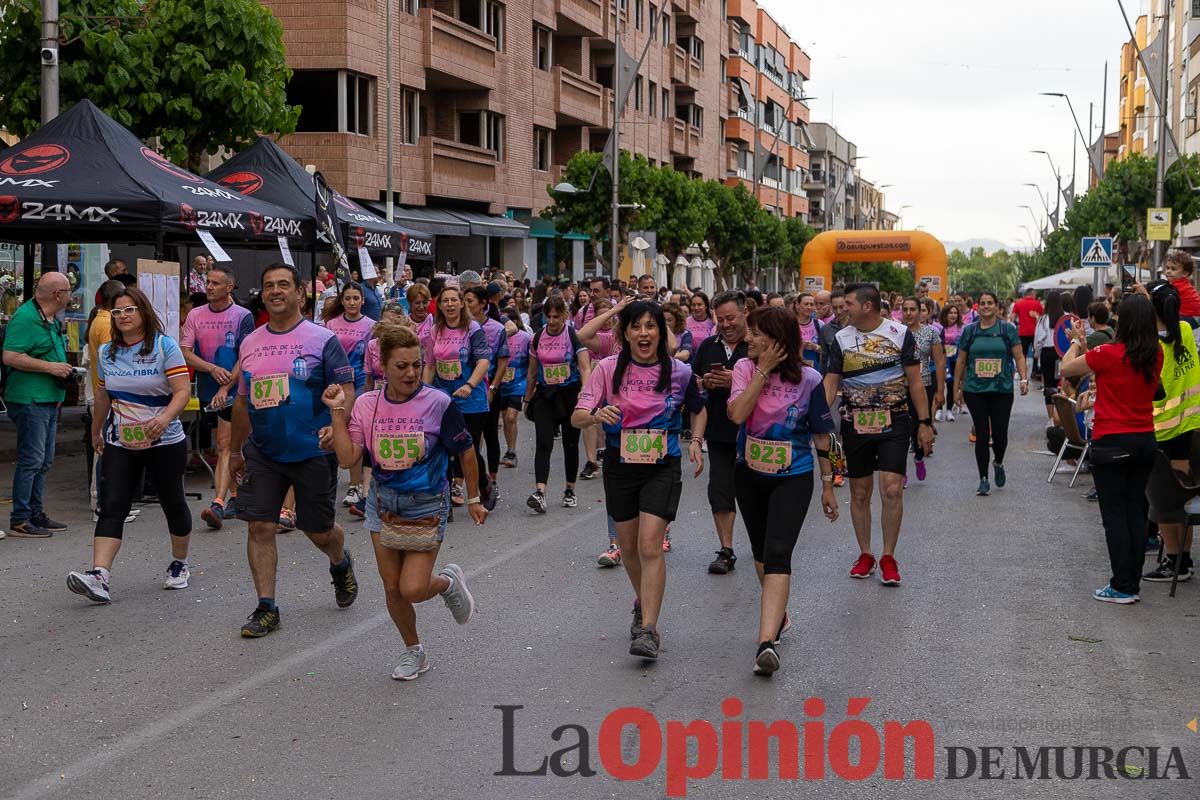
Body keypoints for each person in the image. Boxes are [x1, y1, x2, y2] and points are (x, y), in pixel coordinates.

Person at [324, 324, 484, 680]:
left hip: (427, 503)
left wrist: (473, 497)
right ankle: (415, 651)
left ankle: (446, 582)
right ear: (383, 366)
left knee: (413, 588)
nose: (411, 373)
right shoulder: (366, 406)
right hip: (382, 503)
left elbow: (467, 451)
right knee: (393, 587)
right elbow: (349, 458)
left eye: (416, 364)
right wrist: (337, 413)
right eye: (402, 366)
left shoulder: (438, 403)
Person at [227, 264, 360, 637]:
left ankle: (339, 561)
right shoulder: (251, 341)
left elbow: (345, 389)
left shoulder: (322, 339)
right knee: (260, 525)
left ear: (300, 293)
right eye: (268, 285)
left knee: (318, 531)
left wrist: (338, 423)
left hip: (312, 449)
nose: (274, 291)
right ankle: (266, 607)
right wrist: (236, 451)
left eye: (283, 285)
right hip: (265, 450)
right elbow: (242, 402)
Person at [572, 300, 707, 661]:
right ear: (625, 333)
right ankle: (641, 601)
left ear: (661, 333)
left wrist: (695, 440)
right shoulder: (607, 369)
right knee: (629, 549)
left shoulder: (677, 371)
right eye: (637, 327)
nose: (644, 333)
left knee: (650, 546)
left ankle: (649, 629)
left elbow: (698, 407)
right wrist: (595, 414)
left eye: (651, 327)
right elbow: (577, 416)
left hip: (662, 466)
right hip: (619, 466)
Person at [727, 306, 838, 675]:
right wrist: (761, 371)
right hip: (750, 474)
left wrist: (827, 485)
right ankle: (779, 615)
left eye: (755, 333)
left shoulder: (809, 379)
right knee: (760, 551)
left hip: (795, 476)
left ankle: (766, 643)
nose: (747, 339)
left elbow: (821, 435)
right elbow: (738, 415)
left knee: (778, 552)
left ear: (776, 338)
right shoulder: (744, 368)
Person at [67, 286, 193, 602]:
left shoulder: (165, 347)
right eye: (118, 311)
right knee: (112, 504)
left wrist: (163, 420)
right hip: (121, 440)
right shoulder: (107, 351)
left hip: (165, 440)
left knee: (172, 501)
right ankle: (100, 576)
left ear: (143, 313)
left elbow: (182, 392)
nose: (123, 316)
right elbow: (102, 396)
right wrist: (96, 433)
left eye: (130, 310)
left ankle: (179, 564)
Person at [823, 283, 934, 586]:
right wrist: (817, 418)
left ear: (867, 306)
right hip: (854, 423)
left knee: (892, 489)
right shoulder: (841, 339)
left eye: (848, 304)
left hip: (895, 420)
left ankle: (888, 556)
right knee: (859, 492)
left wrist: (924, 422)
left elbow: (915, 382)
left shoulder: (899, 334)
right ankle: (865, 554)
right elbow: (831, 383)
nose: (843, 308)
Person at [1060, 294, 1162, 604]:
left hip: (1112, 442)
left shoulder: (1108, 353)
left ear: (1124, 322)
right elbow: (1108, 368)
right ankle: (1131, 583)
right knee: (1135, 512)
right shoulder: (1154, 354)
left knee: (1114, 517)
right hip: (1145, 440)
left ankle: (1122, 584)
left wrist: (1077, 342)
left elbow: (1067, 369)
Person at [180, 266, 255, 529]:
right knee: (230, 446)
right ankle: (237, 495)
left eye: (215, 283)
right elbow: (185, 351)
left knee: (224, 444)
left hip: (237, 389)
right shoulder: (195, 315)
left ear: (229, 288)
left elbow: (245, 355)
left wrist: (227, 387)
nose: (208, 287)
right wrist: (211, 369)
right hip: (208, 389)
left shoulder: (243, 316)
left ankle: (219, 503)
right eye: (207, 282)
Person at [1137, 281, 1200, 582]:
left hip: (1160, 431)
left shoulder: (1152, 347)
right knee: (1184, 500)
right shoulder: (1186, 333)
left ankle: (1172, 561)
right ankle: (1184, 562)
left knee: (1162, 503)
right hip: (1190, 430)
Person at [3, 271, 72, 538]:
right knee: (32, 460)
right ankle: (20, 518)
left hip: (47, 397)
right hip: (29, 398)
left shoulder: (48, 317)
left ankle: (34, 512)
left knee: (44, 461)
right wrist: (50, 367)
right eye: (68, 290)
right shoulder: (26, 317)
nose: (70, 296)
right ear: (58, 294)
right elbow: (10, 356)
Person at [421, 284, 494, 507]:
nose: (450, 304)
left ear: (462, 304)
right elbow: (430, 365)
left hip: (471, 399)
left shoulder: (472, 329)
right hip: (444, 396)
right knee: (444, 447)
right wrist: (423, 393)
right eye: (445, 301)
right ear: (439, 306)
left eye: (454, 300)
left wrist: (470, 385)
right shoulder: (434, 331)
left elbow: (483, 361)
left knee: (467, 447)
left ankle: (483, 484)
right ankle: (445, 497)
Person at [694, 290, 751, 574]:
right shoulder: (707, 346)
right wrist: (704, 381)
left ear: (745, 314)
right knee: (720, 490)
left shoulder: (757, 346)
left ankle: (763, 543)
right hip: (718, 432)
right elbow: (692, 379)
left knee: (754, 492)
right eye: (720, 319)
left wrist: (739, 380)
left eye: (731, 318)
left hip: (756, 432)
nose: (726, 324)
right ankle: (726, 549)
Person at [952, 291, 1028, 496]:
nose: (986, 307)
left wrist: (1023, 379)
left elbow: (1019, 356)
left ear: (997, 307)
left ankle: (999, 461)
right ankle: (983, 479)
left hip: (1001, 389)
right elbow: (960, 360)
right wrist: (956, 388)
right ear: (977, 307)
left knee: (1001, 435)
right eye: (982, 303)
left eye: (990, 303)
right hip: (974, 390)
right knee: (982, 434)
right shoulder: (970, 331)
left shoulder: (1007, 329)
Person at [523, 296, 591, 512]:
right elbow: (532, 372)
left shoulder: (572, 335)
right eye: (548, 316)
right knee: (543, 442)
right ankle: (540, 492)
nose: (551, 321)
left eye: (556, 316)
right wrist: (527, 398)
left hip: (570, 394)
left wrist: (586, 393)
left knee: (570, 444)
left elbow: (584, 367)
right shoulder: (537, 337)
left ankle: (570, 489)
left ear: (564, 315)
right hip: (546, 394)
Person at [323, 282, 377, 507]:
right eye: (348, 298)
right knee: (332, 430)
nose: (352, 302)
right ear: (342, 301)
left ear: (363, 301)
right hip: (334, 385)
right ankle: (327, 482)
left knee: (354, 433)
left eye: (356, 298)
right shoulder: (330, 324)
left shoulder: (372, 325)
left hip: (358, 384)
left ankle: (355, 486)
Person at [465, 285, 509, 500]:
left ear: (483, 304)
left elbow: (502, 362)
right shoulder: (459, 327)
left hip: (489, 389)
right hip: (466, 391)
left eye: (470, 301)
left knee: (490, 435)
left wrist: (493, 387)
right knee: (469, 439)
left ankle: (493, 480)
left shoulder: (496, 328)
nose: (466, 305)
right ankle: (467, 481)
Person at [902, 296, 946, 483]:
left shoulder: (931, 333)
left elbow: (939, 361)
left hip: (925, 385)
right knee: (901, 430)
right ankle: (900, 471)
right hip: (900, 387)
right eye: (906, 309)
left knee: (920, 427)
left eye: (913, 309)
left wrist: (940, 391)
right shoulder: (897, 332)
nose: (909, 313)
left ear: (921, 312)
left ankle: (919, 457)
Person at [499, 309, 532, 469]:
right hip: (500, 383)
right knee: (505, 417)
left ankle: (512, 451)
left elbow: (531, 361)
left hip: (518, 384)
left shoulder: (525, 338)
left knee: (511, 417)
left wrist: (530, 384)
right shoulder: (499, 336)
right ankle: (509, 449)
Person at [1034, 290, 1066, 426]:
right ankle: (1062, 417)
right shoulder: (1067, 317)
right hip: (1062, 354)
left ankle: (1052, 418)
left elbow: (1039, 340)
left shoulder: (1043, 319)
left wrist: (1037, 353)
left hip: (1048, 354)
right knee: (1062, 385)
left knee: (1049, 386)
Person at [936, 303, 964, 421]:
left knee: (952, 384)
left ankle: (948, 410)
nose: (953, 315)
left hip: (954, 359)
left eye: (955, 313)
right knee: (939, 384)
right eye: (950, 313)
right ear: (945, 314)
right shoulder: (938, 327)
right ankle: (938, 409)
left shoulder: (961, 328)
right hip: (942, 359)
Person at [1163, 249, 1200, 322]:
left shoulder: (1178, 286)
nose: (1168, 271)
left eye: (1173, 269)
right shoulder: (1183, 283)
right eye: (1167, 268)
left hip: (1191, 318)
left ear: (1185, 273)